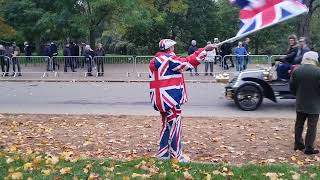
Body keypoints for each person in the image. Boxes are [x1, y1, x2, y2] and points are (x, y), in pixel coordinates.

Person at [149, 39, 215, 162]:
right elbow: (189, 62)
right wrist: (205, 50)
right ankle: (176, 156)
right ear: (170, 49)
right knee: (175, 127)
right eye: (173, 47)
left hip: (160, 100)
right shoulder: (169, 60)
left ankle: (163, 154)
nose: (174, 49)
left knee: (166, 126)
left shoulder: (154, 60)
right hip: (170, 99)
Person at [290, 51, 320, 155]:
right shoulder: (318, 71)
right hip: (314, 105)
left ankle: (298, 144)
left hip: (300, 102)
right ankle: (309, 148)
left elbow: (292, 88)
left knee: (299, 124)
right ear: (315, 59)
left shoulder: (296, 71)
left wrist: (298, 95)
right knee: (312, 126)